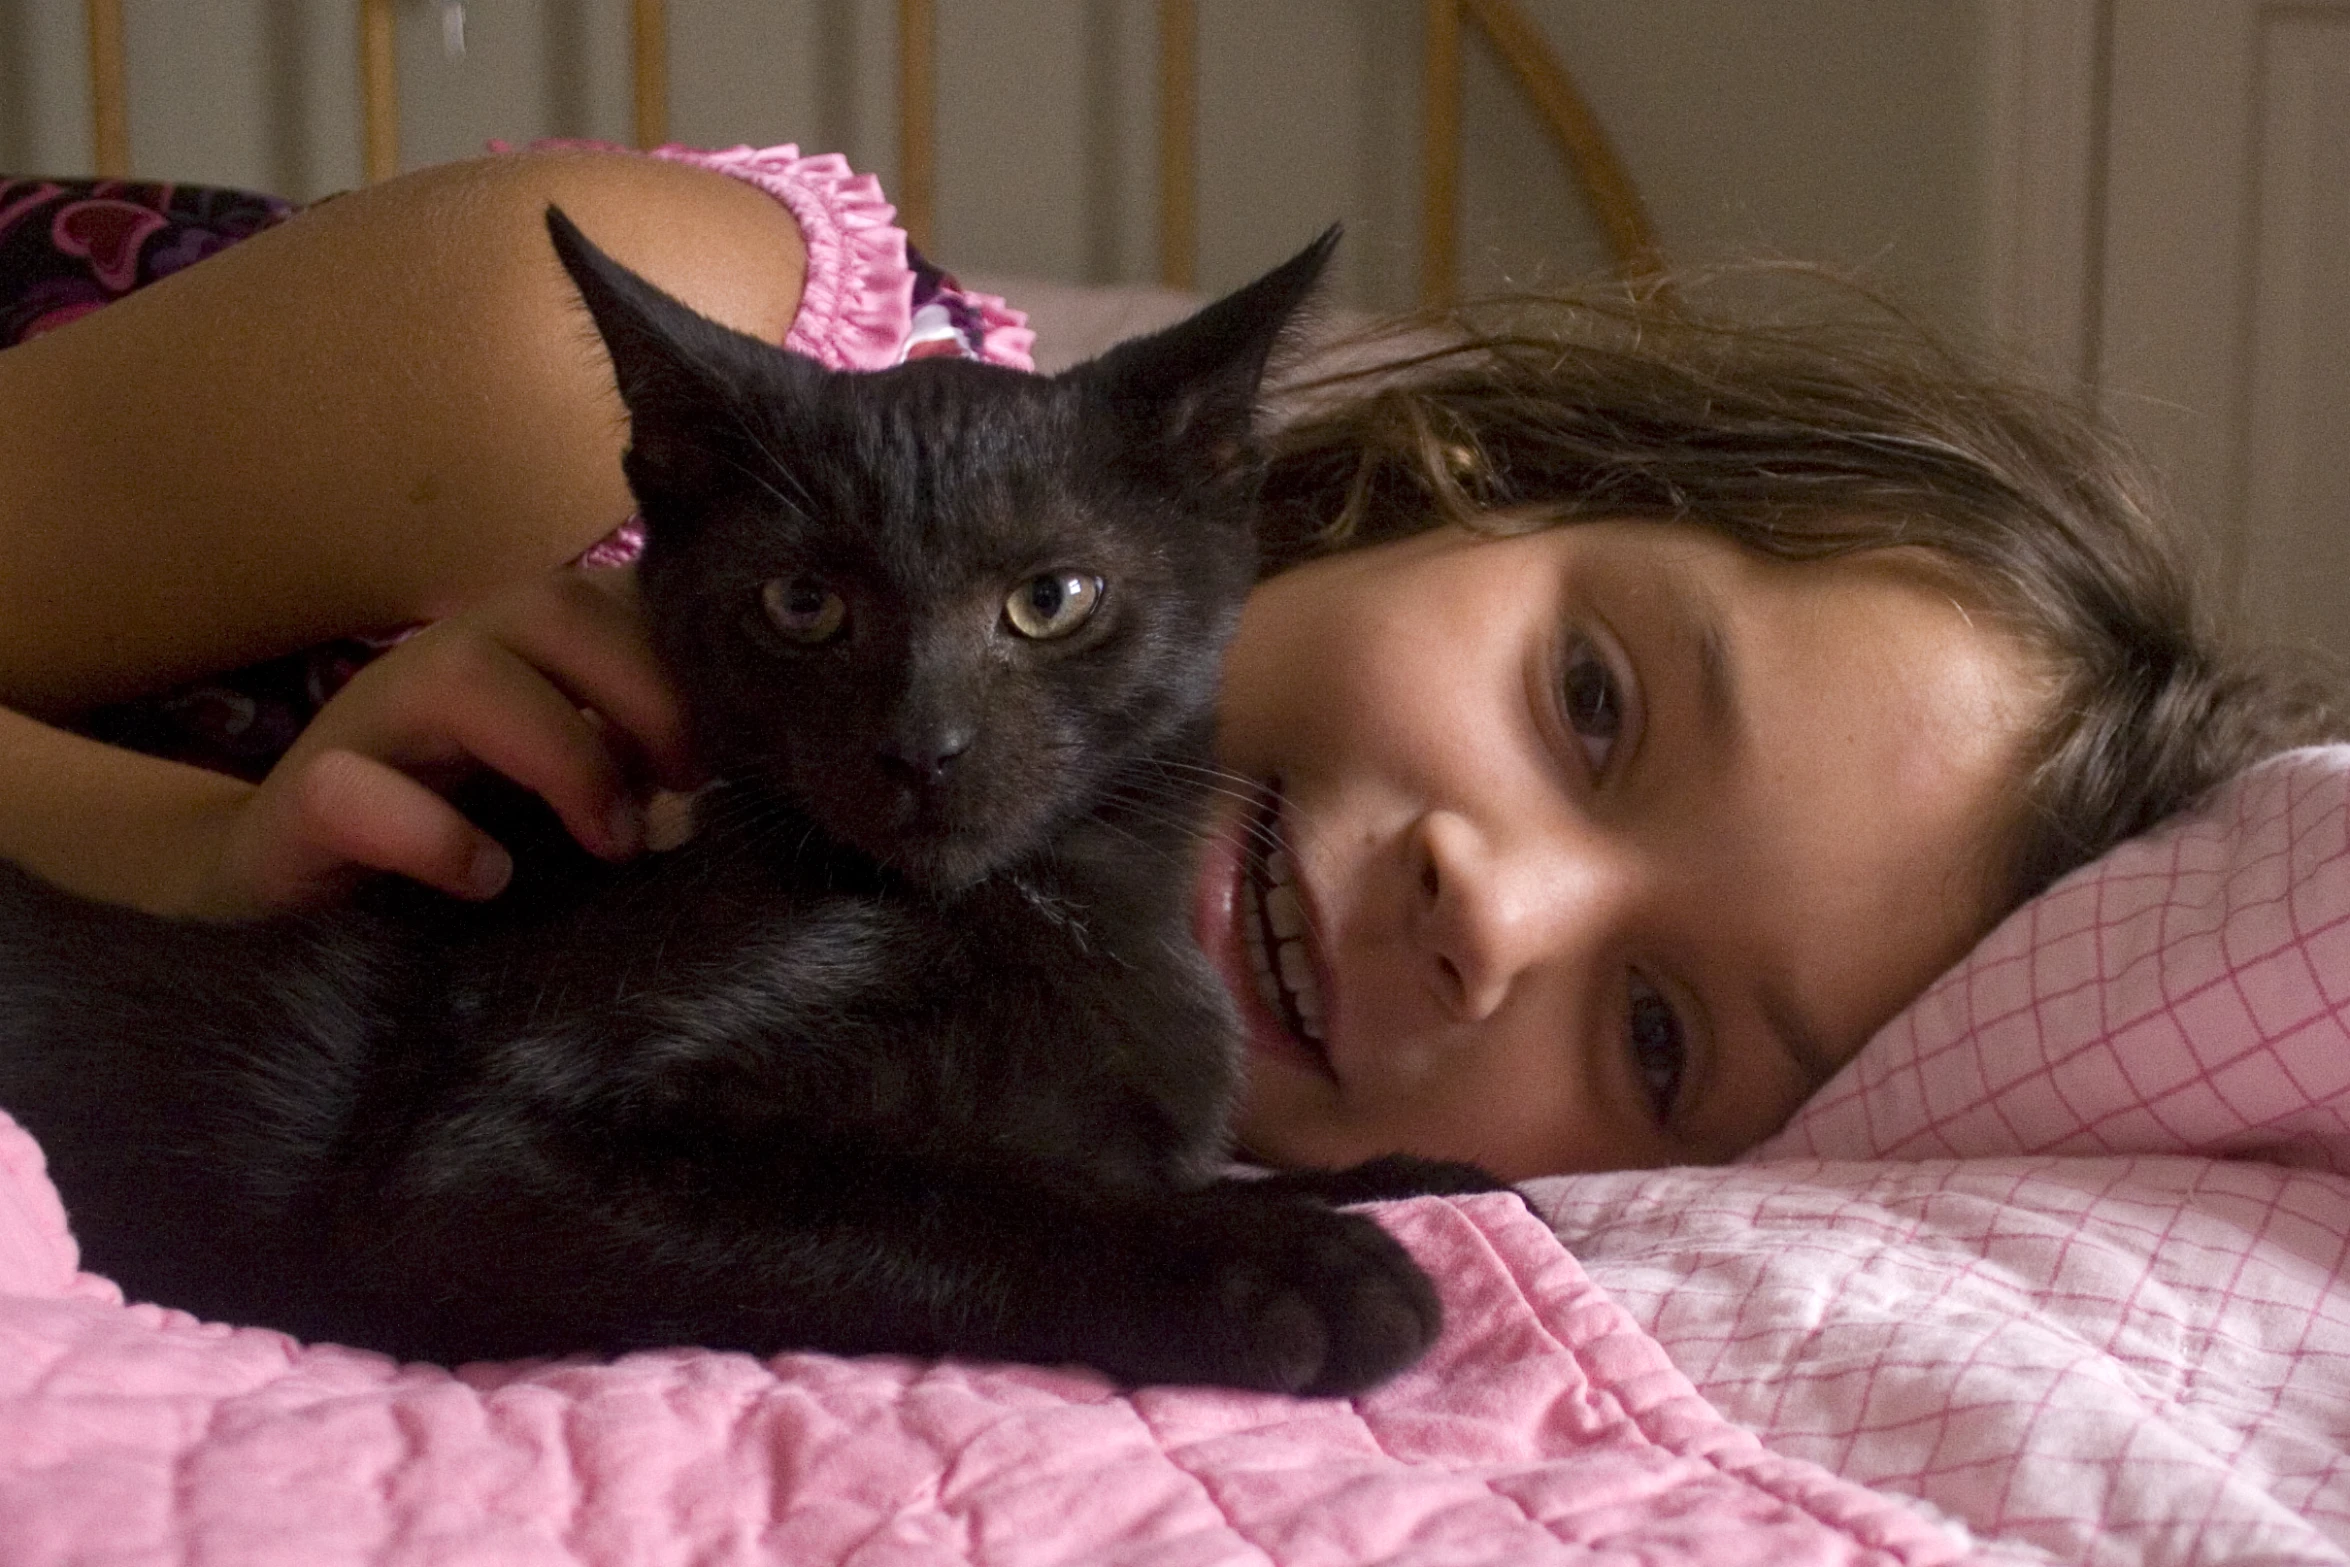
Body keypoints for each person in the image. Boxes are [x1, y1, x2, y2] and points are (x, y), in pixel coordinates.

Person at [0, 145, 2334, 1182]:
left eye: (1651, 1037)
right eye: (1592, 708)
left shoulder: (1036, 1105)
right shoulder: (558, 383)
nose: (1487, 908)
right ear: (1441, 472)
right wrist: (197, 861)